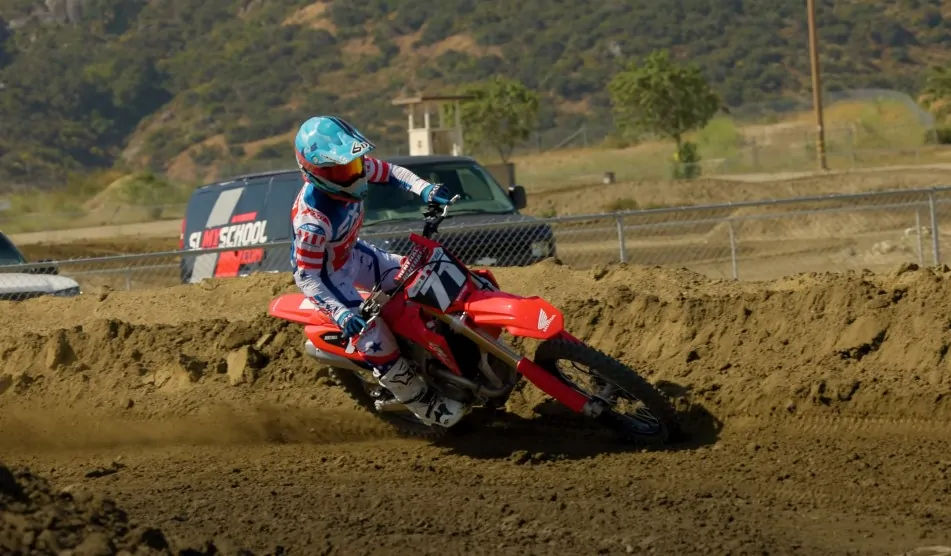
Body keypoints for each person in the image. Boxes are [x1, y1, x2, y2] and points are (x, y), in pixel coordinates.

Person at [290, 115, 467, 428]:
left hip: (354, 254)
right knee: (372, 336)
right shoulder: (312, 222)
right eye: (345, 169)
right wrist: (342, 314)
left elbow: (392, 172)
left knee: (421, 274)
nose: (357, 173)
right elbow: (307, 276)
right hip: (331, 278)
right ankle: (422, 403)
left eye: (355, 164)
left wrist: (424, 189)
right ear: (318, 174)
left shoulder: (352, 170)